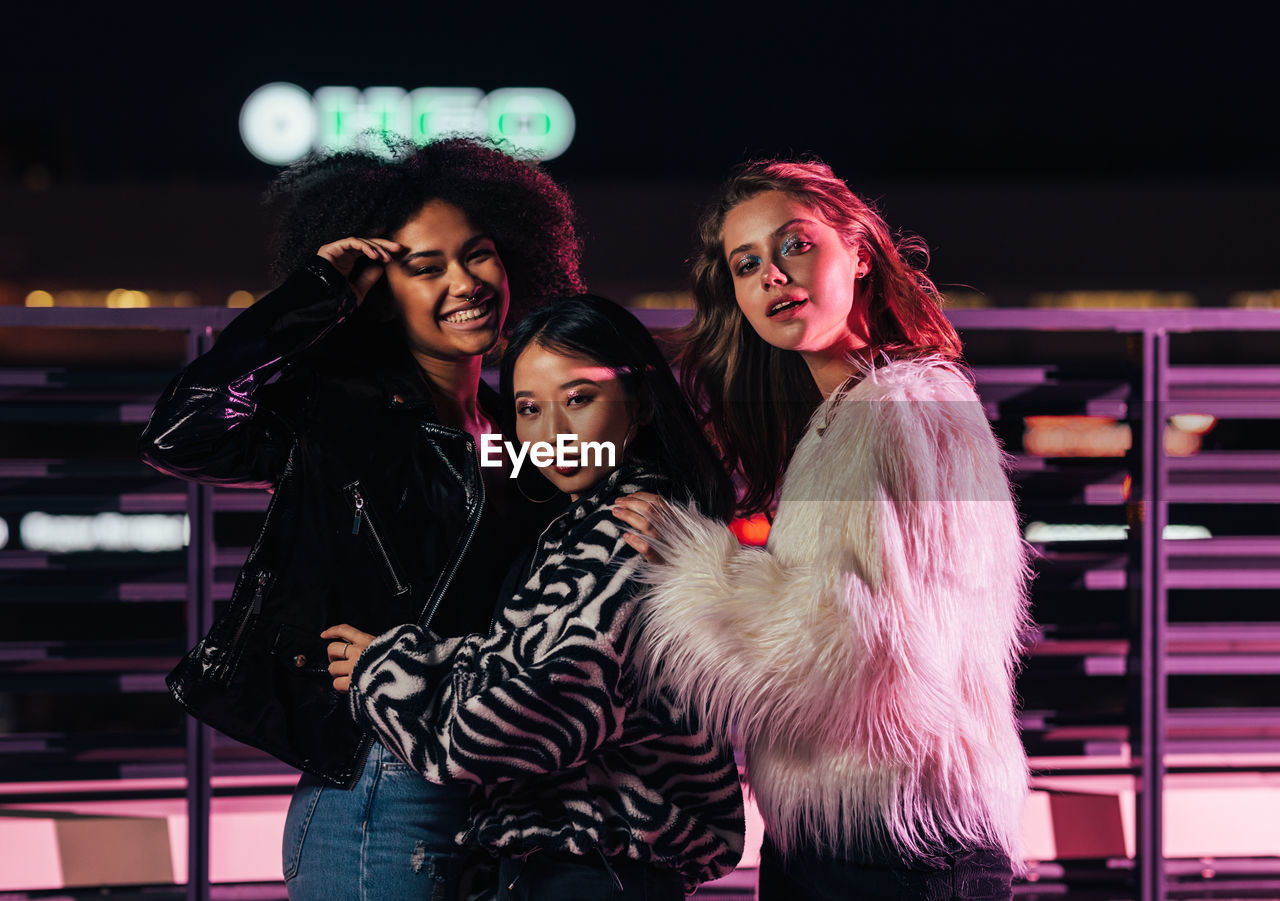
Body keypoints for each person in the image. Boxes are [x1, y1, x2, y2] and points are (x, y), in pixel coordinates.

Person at [138, 137, 583, 901]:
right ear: (383, 291)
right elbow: (181, 431)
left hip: (490, 790)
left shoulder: (515, 432)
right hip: (383, 791)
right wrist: (317, 288)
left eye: (477, 254)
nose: (465, 282)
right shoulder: (344, 414)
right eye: (426, 266)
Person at [612, 160, 1031, 900]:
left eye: (794, 244)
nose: (772, 273)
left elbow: (843, 647)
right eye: (747, 264)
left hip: (894, 848)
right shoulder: (853, 415)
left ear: (860, 252)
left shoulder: (895, 410)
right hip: (850, 834)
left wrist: (689, 561)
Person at [326, 295, 746, 900]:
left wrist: (387, 671)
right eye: (528, 409)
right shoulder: (582, 527)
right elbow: (532, 664)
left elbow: (551, 707)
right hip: (578, 868)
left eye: (578, 399)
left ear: (643, 402)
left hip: (590, 869)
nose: (551, 435)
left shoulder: (632, 531)